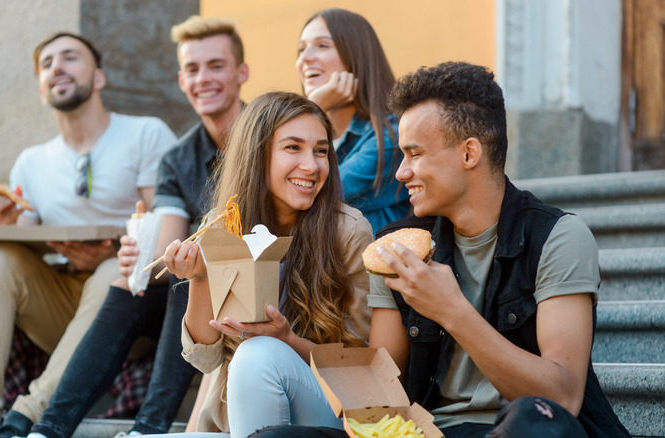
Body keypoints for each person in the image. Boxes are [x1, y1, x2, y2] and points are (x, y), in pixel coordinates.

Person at [250, 62, 632, 438]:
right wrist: (288, 343)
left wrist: (452, 311)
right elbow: (382, 392)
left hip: (512, 428)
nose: (401, 173)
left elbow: (561, 396)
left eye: (414, 154)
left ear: (469, 154)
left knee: (536, 419)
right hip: (424, 433)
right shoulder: (397, 246)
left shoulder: (557, 237)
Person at [21, 16, 250, 438]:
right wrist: (140, 257)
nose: (204, 79)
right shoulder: (178, 158)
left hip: (267, 284)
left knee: (190, 270)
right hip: (198, 298)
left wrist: (185, 263)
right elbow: (166, 250)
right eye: (193, 70)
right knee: (136, 280)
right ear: (181, 80)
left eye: (216, 66)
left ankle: (148, 429)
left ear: (242, 72)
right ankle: (48, 429)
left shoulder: (270, 134)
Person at [0, 32, 177, 438]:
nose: (57, 66)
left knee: (111, 269)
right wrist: (5, 223)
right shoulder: (31, 162)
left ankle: (29, 415)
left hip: (129, 305)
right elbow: (27, 246)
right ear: (41, 88)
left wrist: (111, 254)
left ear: (100, 77)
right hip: (58, 301)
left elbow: (167, 221)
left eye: (70, 57)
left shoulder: (146, 134)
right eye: (47, 63)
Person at [157, 91, 373, 438]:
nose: (312, 165)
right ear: (257, 154)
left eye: (321, 151)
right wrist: (200, 276)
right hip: (237, 415)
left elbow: (362, 365)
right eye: (293, 148)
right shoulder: (223, 225)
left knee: (257, 352)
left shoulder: (348, 231)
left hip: (330, 411)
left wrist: (286, 339)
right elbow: (205, 358)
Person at [296, 8, 409, 233]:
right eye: (301, 49)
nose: (306, 58)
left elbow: (313, 196)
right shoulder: (316, 137)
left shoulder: (389, 137)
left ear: (357, 57)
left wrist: (314, 107)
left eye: (323, 45)